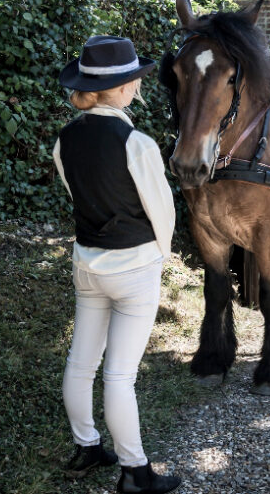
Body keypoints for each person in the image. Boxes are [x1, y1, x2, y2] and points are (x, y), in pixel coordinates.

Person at [53, 35, 182, 494]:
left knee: (81, 362)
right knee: (120, 375)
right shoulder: (137, 141)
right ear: (127, 88)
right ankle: (134, 471)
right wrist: (160, 257)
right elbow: (161, 211)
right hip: (134, 268)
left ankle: (87, 447)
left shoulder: (65, 138)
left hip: (87, 264)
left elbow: (78, 194)